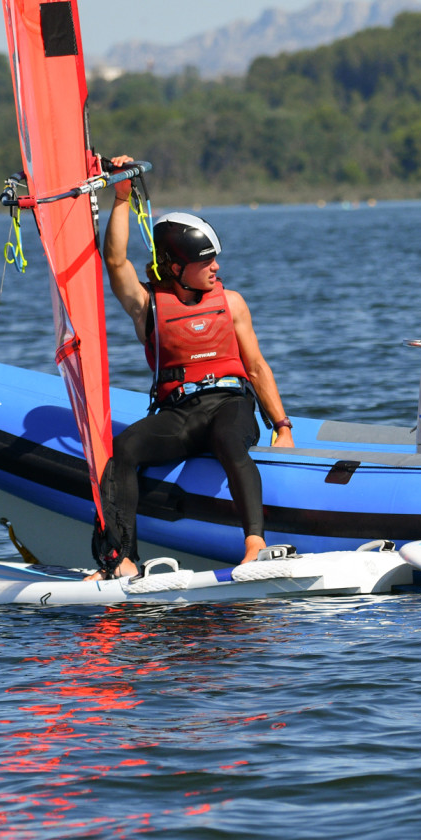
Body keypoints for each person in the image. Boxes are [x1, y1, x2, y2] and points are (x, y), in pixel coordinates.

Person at [89, 158, 295, 579]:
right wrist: (122, 196)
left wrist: (282, 425)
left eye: (215, 259)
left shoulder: (232, 303)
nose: (216, 267)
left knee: (227, 439)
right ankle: (121, 559)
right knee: (123, 450)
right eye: (206, 261)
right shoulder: (147, 306)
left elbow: (255, 366)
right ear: (176, 267)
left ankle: (254, 542)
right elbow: (115, 262)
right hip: (180, 413)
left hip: (230, 405)